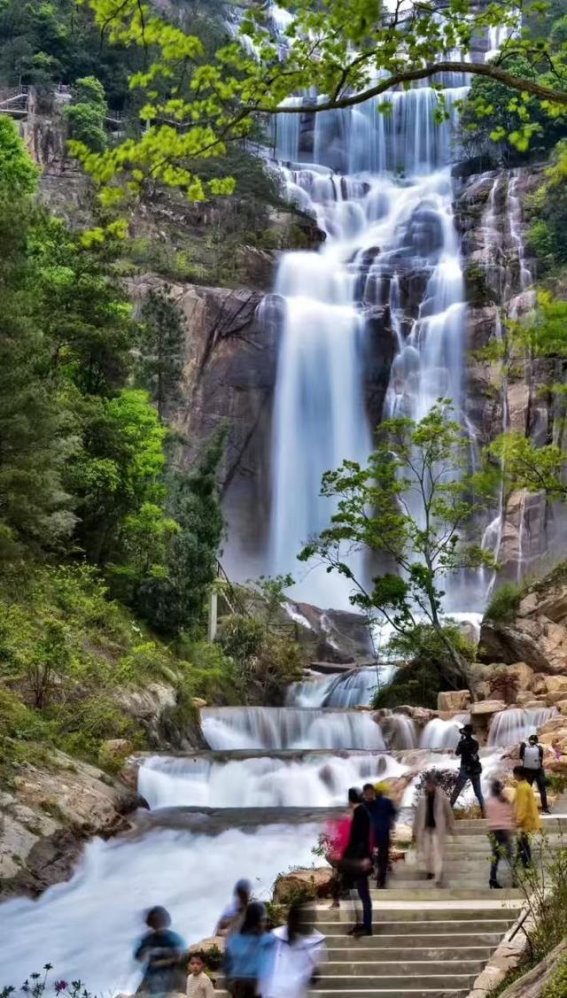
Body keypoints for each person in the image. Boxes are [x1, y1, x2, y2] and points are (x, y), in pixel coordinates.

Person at [264, 899, 327, 998]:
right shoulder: (275, 937)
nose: (309, 920)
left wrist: (314, 973)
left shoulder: (317, 942)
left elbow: (316, 970)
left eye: (311, 916)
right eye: (305, 916)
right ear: (294, 918)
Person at [338, 787, 373, 937]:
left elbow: (361, 839)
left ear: (350, 800)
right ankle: (361, 924)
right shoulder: (361, 812)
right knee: (357, 894)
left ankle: (365, 926)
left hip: (357, 861)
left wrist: (364, 858)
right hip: (356, 859)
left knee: (361, 894)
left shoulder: (360, 813)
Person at [224, 901, 275, 998]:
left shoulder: (267, 939)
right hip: (243, 985)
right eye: (262, 919)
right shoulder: (236, 940)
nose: (264, 923)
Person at [413, 772, 455, 886]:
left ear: (435, 786)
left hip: (438, 829)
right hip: (425, 829)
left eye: (432, 785)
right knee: (426, 852)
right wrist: (414, 832)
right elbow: (417, 816)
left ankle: (438, 874)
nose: (430, 787)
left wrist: (451, 827)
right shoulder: (422, 800)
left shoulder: (442, 799)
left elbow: (449, 813)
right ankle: (429, 871)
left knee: (437, 852)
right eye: (428, 785)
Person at [135, 906, 187, 996]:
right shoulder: (147, 940)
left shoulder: (173, 939)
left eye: (159, 922)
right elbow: (139, 957)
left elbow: (181, 957)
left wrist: (161, 962)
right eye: (155, 923)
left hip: (172, 976)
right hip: (152, 977)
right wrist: (145, 954)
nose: (158, 926)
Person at [362, 782, 397, 889]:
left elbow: (393, 812)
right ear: (364, 794)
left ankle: (381, 881)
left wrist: (388, 823)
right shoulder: (363, 805)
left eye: (370, 793)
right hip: (369, 835)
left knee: (383, 857)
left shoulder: (385, 802)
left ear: (373, 792)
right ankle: (370, 874)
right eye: (366, 794)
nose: (368, 795)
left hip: (383, 833)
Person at [485, 780, 516, 889]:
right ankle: (514, 879)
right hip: (504, 830)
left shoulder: (489, 802)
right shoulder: (504, 801)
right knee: (510, 855)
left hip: (493, 831)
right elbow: (510, 814)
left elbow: (489, 815)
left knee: (496, 856)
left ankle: (492, 879)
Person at [450, 723, 485, 815]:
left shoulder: (462, 743)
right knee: (478, 793)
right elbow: (474, 753)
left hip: (465, 769)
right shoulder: (475, 743)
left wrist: (460, 742)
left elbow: (457, 753)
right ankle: (484, 812)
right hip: (475, 769)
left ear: (465, 733)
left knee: (457, 791)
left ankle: (448, 811)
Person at [513, 766, 542, 869]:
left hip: (525, 821)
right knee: (522, 843)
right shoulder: (526, 785)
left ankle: (526, 864)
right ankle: (523, 863)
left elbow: (522, 805)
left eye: (514, 774)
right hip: (528, 819)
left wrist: (518, 820)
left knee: (523, 843)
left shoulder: (521, 788)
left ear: (518, 775)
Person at [520, 733, 550, 814]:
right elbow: (541, 759)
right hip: (539, 771)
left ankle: (525, 809)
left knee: (526, 790)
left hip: (528, 771)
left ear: (529, 740)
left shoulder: (524, 746)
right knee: (542, 790)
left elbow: (521, 757)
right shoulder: (539, 748)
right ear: (537, 741)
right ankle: (545, 809)